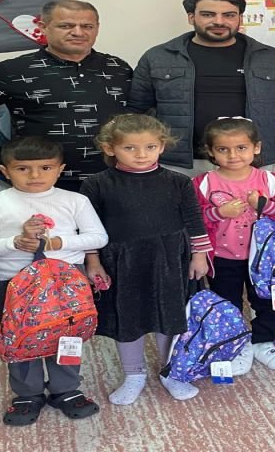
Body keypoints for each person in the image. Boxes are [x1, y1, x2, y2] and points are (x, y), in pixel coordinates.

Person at [0, 136, 108, 426]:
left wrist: (57, 242)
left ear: (60, 169)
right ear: (5, 171)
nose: (34, 176)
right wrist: (15, 242)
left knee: (67, 336)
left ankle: (66, 389)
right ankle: (27, 393)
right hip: (14, 284)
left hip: (67, 284)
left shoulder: (75, 200)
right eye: (23, 169)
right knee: (20, 339)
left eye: (45, 168)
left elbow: (99, 236)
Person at [80, 114, 210, 404]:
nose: (141, 154)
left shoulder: (179, 182)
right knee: (128, 318)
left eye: (150, 147)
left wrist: (199, 255)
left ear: (162, 147)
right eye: (130, 148)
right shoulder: (96, 184)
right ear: (110, 148)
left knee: (171, 317)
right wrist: (93, 261)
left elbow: (194, 221)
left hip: (169, 259)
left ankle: (171, 372)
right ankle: (133, 374)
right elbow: (90, 228)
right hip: (121, 262)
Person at [129, 0, 275, 178]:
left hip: (252, 162)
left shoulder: (270, 58)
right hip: (179, 164)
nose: (219, 21)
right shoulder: (158, 57)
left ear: (240, 18)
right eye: (208, 14)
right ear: (191, 17)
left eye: (229, 15)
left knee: (252, 209)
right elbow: (137, 112)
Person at [191, 118, 275, 375]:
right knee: (226, 303)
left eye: (241, 148)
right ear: (210, 151)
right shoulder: (202, 183)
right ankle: (233, 342)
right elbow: (190, 218)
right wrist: (217, 212)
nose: (233, 155)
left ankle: (265, 339)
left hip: (266, 261)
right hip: (223, 258)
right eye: (223, 149)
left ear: (256, 148)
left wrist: (265, 205)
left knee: (268, 302)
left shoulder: (271, 181)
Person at [0, 0, 136, 190]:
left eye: (87, 26)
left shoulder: (118, 68)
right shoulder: (13, 70)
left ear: (97, 28)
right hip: (44, 183)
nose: (78, 32)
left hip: (113, 178)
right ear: (43, 27)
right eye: (66, 26)